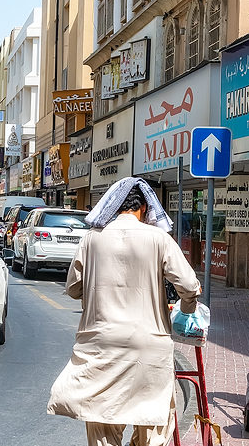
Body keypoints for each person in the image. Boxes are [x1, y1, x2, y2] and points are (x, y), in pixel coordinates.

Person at [47, 178, 201, 446]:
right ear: (144, 207)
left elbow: (73, 288)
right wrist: (185, 309)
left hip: (100, 346)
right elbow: (189, 286)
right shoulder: (159, 238)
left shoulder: (92, 239)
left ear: (116, 207)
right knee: (152, 425)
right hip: (148, 348)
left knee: (103, 423)